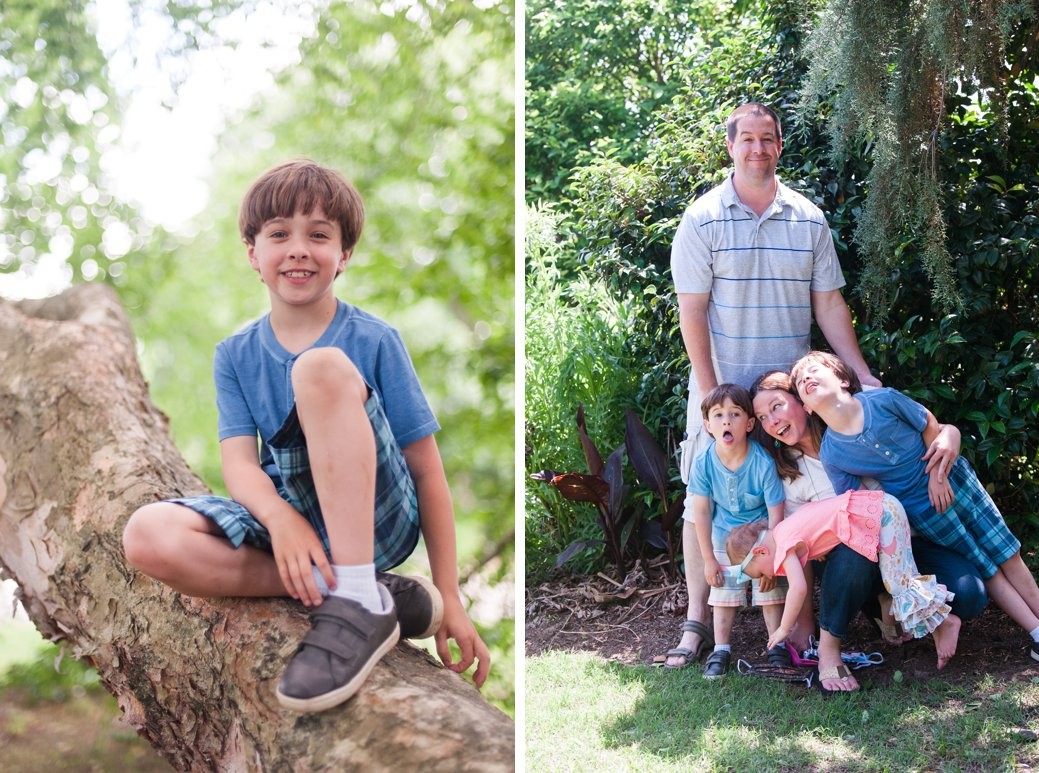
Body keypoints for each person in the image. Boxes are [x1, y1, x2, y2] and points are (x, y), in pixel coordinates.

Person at [122, 159, 489, 713]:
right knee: (146, 535)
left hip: (375, 518)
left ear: (343, 256)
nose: (298, 248)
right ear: (253, 254)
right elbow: (241, 466)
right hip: (293, 517)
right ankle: (365, 589)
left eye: (318, 235)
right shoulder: (235, 355)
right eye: (279, 234)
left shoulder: (375, 338)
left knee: (317, 369)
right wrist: (280, 519)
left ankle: (360, 594)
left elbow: (427, 469)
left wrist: (453, 598)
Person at [668, 101, 882, 665]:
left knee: (788, 506)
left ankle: (798, 631)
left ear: (779, 146)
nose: (758, 148)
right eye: (748, 139)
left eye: (768, 139)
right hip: (723, 394)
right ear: (730, 147)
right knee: (703, 503)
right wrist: (713, 398)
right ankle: (696, 622)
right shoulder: (702, 219)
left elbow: (830, 303)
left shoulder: (808, 219)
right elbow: (693, 311)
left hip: (788, 404)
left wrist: (858, 372)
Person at [791, 350, 1039, 663]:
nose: (808, 378)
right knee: (988, 569)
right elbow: (861, 505)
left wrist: (938, 477)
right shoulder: (833, 453)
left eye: (814, 370)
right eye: (801, 382)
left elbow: (928, 423)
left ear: (843, 379)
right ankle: (1035, 631)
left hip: (955, 483)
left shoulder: (883, 400)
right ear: (808, 408)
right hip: (924, 513)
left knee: (1008, 553)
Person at [749, 369, 987, 692]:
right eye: (763, 417)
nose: (772, 421)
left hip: (905, 539)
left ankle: (909, 612)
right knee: (853, 546)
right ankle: (831, 649)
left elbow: (928, 427)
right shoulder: (788, 475)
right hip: (853, 565)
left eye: (777, 406)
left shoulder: (852, 420)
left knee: (970, 594)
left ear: (802, 401)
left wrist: (952, 433)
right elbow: (797, 555)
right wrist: (803, 629)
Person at [726, 490, 961, 672]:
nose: (766, 577)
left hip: (881, 515)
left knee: (900, 582)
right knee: (895, 580)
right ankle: (903, 623)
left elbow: (798, 589)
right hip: (879, 509)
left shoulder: (783, 545)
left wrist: (784, 628)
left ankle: (945, 622)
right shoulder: (784, 532)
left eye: (759, 573)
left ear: (760, 552)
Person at [665, 384, 788, 678]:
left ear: (749, 424)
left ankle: (777, 645)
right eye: (718, 415)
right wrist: (708, 559)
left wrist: (772, 560)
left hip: (761, 536)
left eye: (734, 414)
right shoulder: (704, 462)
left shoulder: (762, 463)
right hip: (722, 535)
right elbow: (702, 512)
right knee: (723, 592)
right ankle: (721, 648)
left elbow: (776, 513)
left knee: (770, 591)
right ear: (707, 425)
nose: (726, 421)